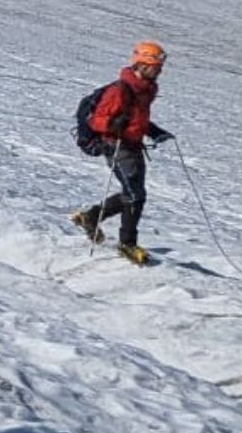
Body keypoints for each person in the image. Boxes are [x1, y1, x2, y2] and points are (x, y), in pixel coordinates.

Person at [73, 41, 172, 265]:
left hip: (133, 145)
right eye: (156, 66)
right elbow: (97, 121)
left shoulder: (145, 89)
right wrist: (113, 123)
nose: (159, 71)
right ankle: (127, 244)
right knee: (135, 195)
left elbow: (137, 119)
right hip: (115, 145)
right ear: (143, 65)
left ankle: (91, 217)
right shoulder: (120, 90)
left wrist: (153, 131)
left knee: (135, 193)